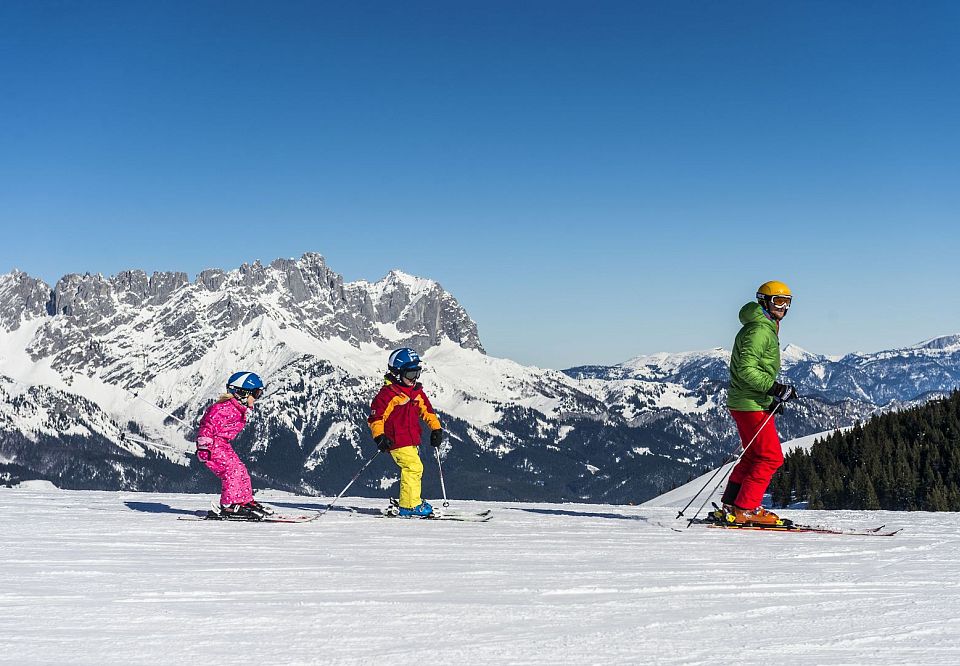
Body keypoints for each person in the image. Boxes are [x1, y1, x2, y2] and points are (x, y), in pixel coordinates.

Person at [719, 281, 799, 526]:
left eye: (787, 302)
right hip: (749, 402)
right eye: (778, 301)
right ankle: (746, 509)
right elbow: (746, 369)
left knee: (753, 456)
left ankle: (733, 504)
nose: (783, 307)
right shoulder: (759, 330)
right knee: (770, 458)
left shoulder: (763, 326)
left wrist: (770, 396)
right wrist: (774, 388)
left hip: (749, 401)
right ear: (764, 301)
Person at [367, 348, 444, 517]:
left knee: (414, 468)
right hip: (396, 440)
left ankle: (409, 500)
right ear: (396, 373)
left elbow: (427, 411)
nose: (414, 379)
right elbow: (376, 418)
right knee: (413, 467)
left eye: (417, 373)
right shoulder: (388, 394)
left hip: (411, 439)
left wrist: (436, 429)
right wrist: (379, 436)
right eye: (410, 374)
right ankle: (409, 505)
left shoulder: (415, 392)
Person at [197, 371, 273, 520]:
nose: (257, 398)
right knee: (231, 471)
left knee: (241, 470)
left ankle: (244, 501)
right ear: (242, 393)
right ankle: (229, 505)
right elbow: (207, 426)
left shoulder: (236, 408)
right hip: (214, 446)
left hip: (224, 445)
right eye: (256, 394)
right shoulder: (221, 408)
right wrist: (204, 447)